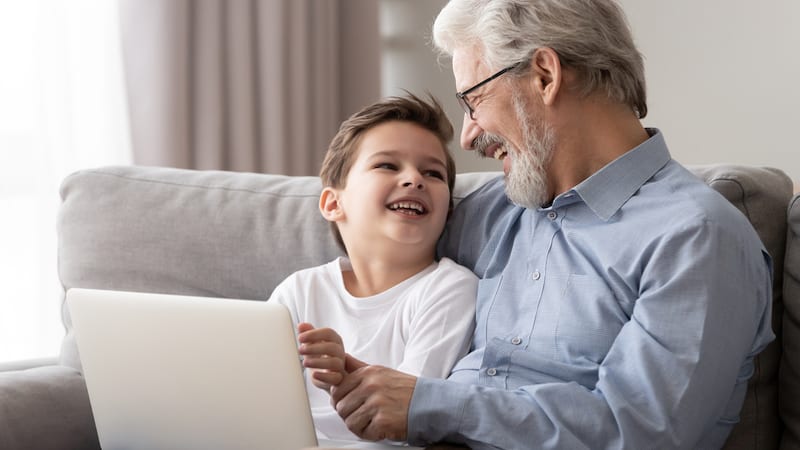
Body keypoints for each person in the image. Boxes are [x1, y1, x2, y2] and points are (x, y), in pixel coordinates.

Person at [325, 1, 775, 449]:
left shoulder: (696, 237)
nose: (466, 136)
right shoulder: (489, 212)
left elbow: (639, 433)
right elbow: (373, 245)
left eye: (473, 100)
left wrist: (431, 404)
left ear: (544, 75)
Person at [267, 93, 478, 442]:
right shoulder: (299, 291)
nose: (414, 179)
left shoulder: (450, 288)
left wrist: (345, 379)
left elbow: (407, 417)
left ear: (448, 212)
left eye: (433, 173)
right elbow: (255, 398)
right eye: (388, 166)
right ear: (334, 203)